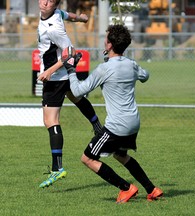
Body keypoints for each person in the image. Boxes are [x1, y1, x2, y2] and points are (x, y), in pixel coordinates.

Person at [62, 24, 163, 203]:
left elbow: (78, 91)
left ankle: (126, 188)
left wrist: (71, 69)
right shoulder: (131, 65)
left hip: (117, 126)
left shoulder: (104, 68)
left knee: (87, 158)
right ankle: (152, 189)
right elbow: (145, 76)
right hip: (133, 122)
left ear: (109, 45)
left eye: (106, 38)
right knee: (120, 155)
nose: (104, 41)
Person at [37, 0, 102, 188]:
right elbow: (68, 15)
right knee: (76, 97)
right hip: (63, 75)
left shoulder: (54, 28)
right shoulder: (56, 13)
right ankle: (97, 126)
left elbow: (71, 52)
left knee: (50, 121)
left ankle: (57, 169)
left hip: (55, 77)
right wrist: (81, 18)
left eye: (49, 1)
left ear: (53, 4)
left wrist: (49, 71)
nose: (44, 3)